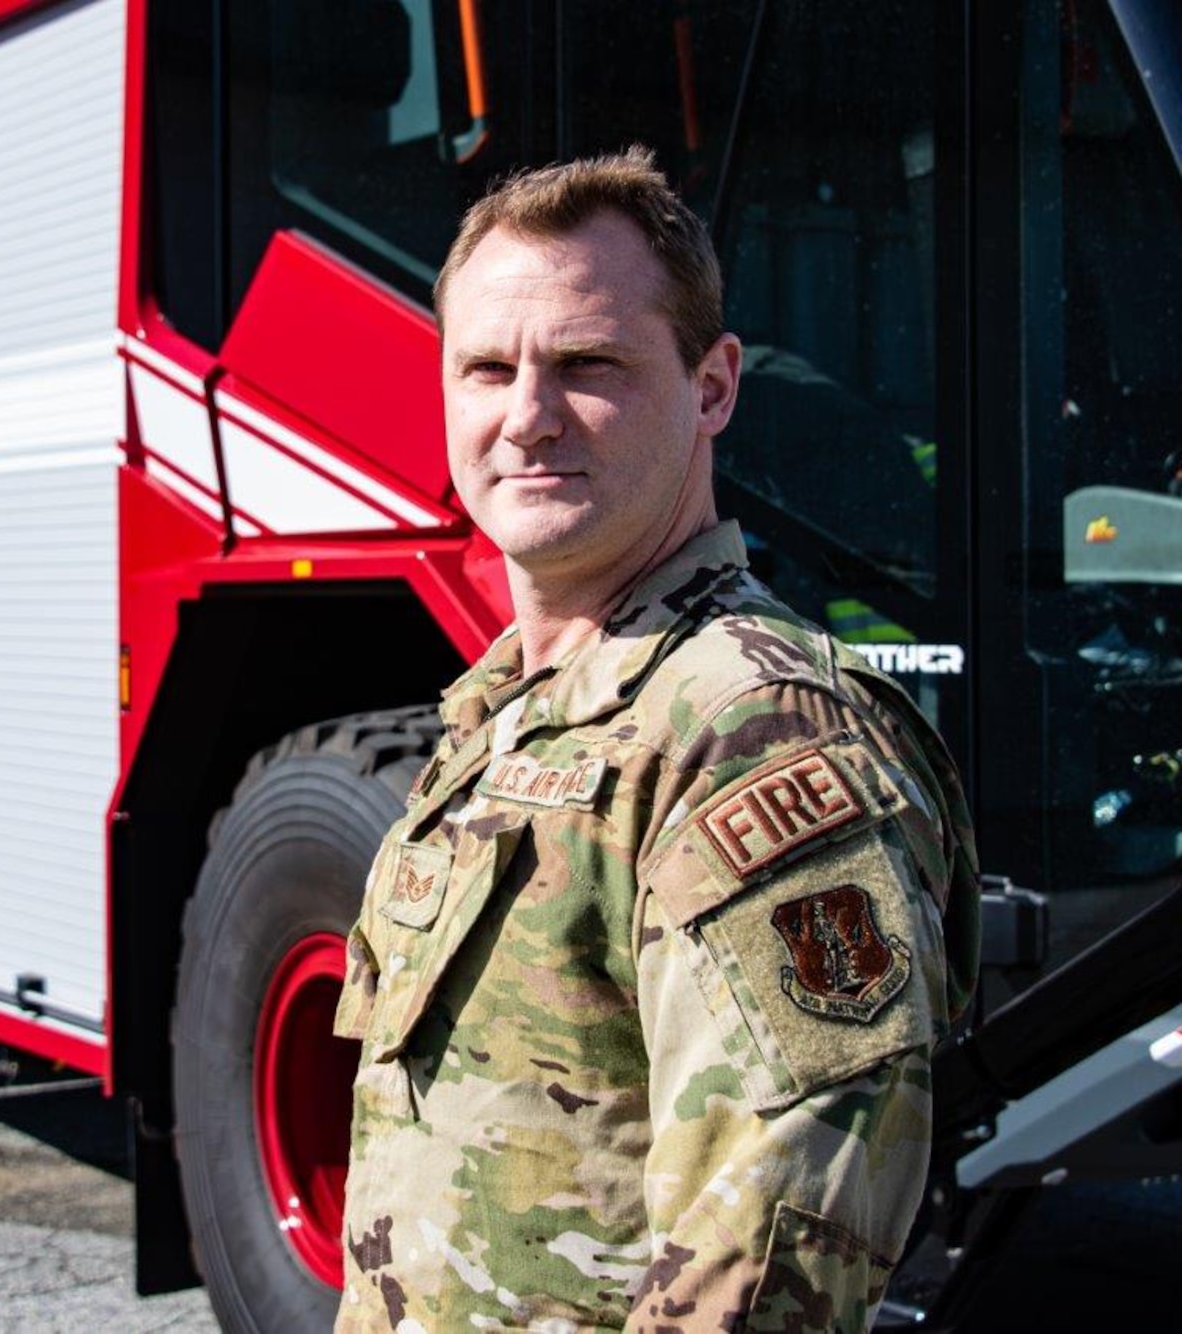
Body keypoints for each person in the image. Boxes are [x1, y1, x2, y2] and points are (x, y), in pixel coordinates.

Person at [332, 147, 979, 1332]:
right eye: (484, 367)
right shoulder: (510, 705)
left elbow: (770, 1246)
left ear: (713, 384)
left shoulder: (750, 728)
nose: (524, 417)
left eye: (587, 364)